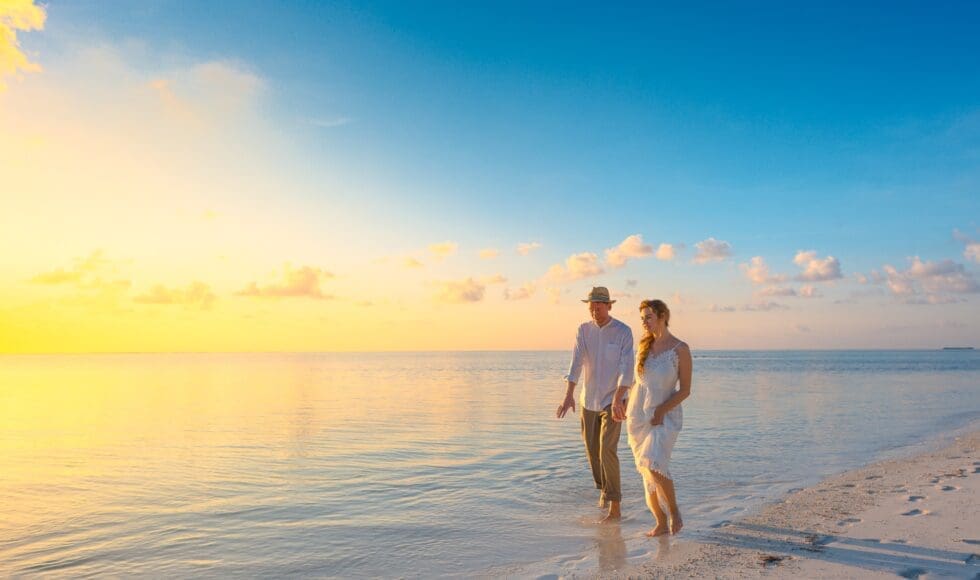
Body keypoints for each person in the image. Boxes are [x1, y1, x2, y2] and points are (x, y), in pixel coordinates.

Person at [556, 286, 635, 523]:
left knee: (606, 450)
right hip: (587, 401)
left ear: (609, 305)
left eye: (599, 305)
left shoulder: (623, 331)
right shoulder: (584, 330)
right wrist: (569, 394)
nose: (595, 309)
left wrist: (620, 395)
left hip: (613, 401)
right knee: (593, 454)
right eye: (591, 305)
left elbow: (627, 367)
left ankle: (615, 506)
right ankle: (604, 489)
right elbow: (576, 362)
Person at [626, 299, 692, 536]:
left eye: (648, 317)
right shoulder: (643, 346)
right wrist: (620, 401)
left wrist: (661, 410)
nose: (644, 322)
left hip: (665, 415)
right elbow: (637, 382)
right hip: (638, 415)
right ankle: (660, 522)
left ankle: (674, 511)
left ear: (663, 315)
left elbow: (685, 390)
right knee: (645, 470)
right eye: (642, 318)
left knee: (653, 463)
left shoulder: (680, 349)